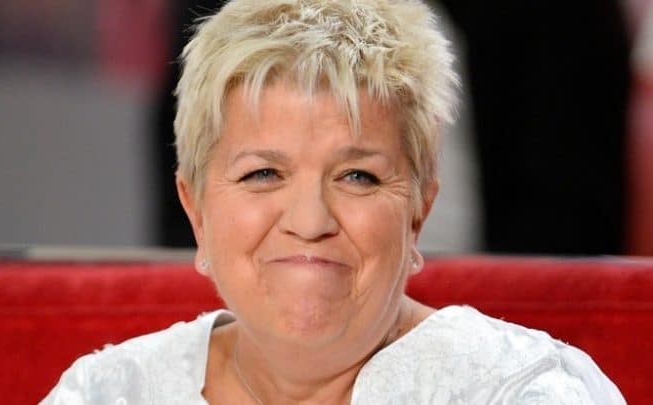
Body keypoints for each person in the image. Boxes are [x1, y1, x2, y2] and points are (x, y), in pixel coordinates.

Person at [42, 1, 625, 403]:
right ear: (195, 211)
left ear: (418, 211)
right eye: (263, 173)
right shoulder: (107, 392)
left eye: (357, 177)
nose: (310, 221)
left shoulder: (526, 390)